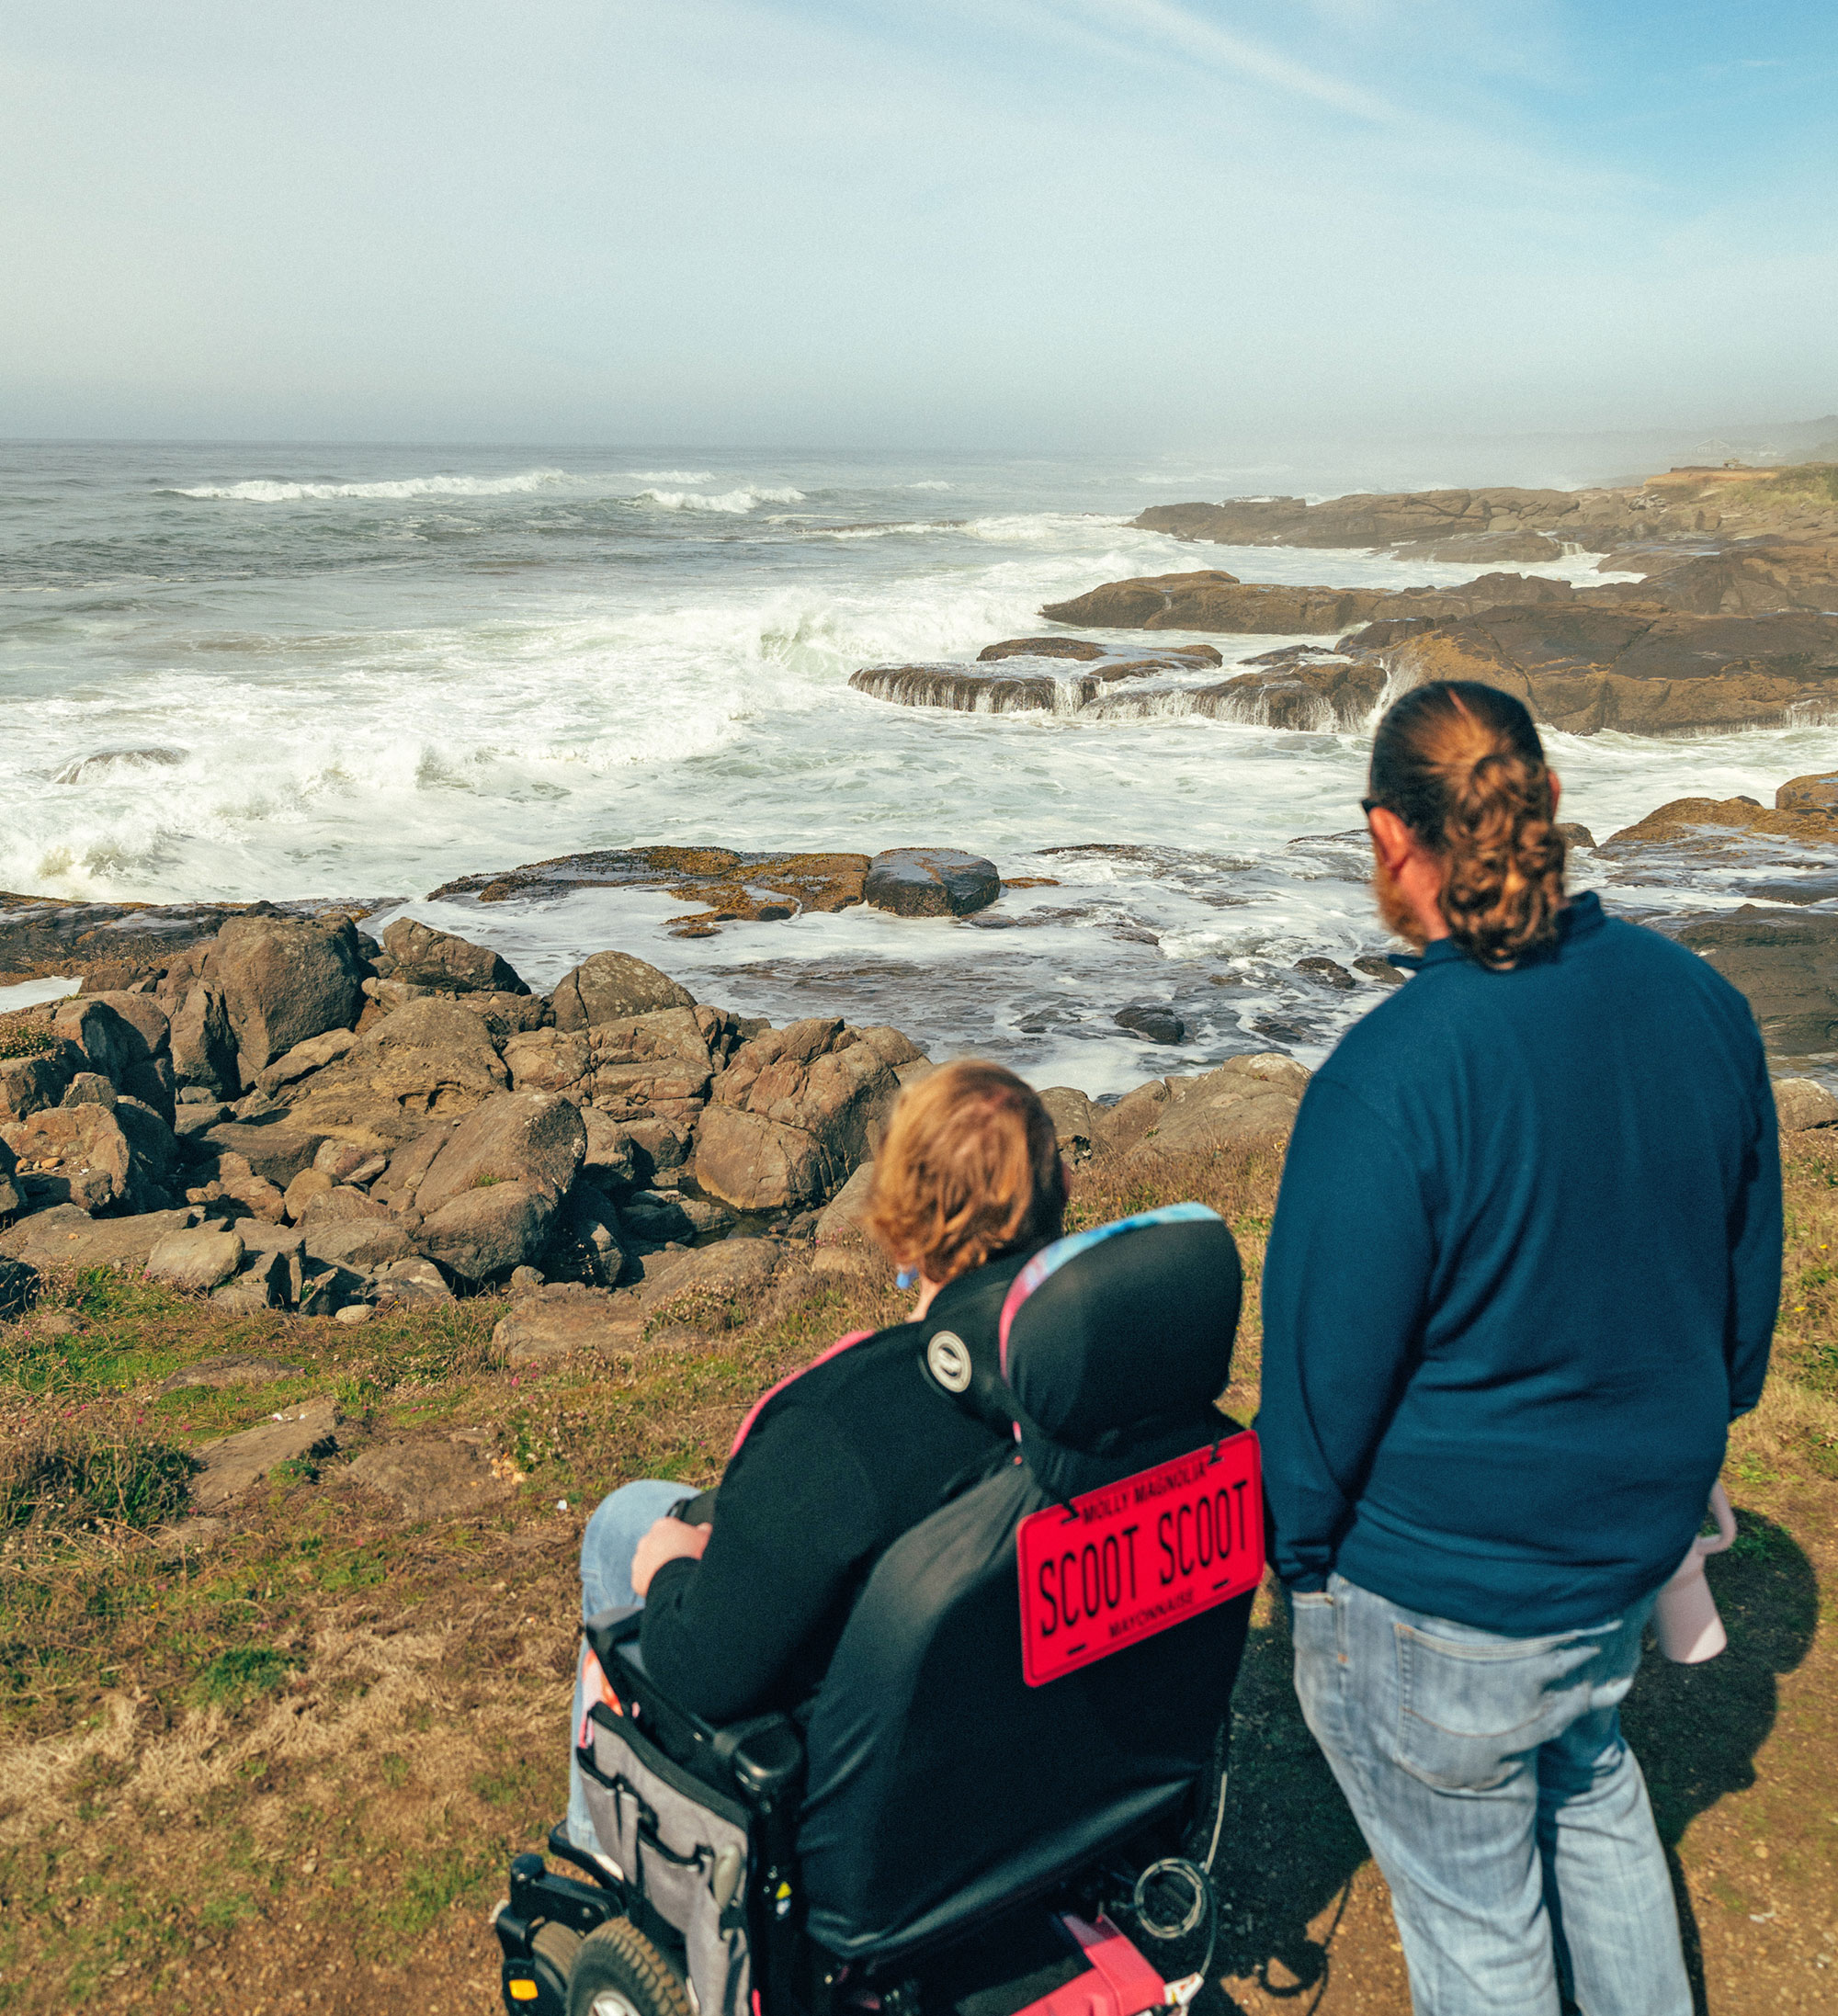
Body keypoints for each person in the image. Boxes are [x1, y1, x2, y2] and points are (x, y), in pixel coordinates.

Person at [1257, 680, 1779, 2016]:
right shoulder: (1703, 1005)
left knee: (1481, 1918)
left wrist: (1305, 1574)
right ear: (1546, 798)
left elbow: (1317, 1409)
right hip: (1621, 1552)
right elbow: (1738, 1321)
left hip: (1445, 1590)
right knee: (1590, 1774)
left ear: (1389, 835)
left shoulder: (1391, 1079)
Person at [566, 1058, 1069, 1857]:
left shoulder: (846, 1420)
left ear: (900, 1217)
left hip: (860, 1795)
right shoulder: (1093, 1368)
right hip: (1026, 1744)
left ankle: (614, 1859)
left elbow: (702, 1670)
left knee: (628, 1521)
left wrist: (667, 1569)